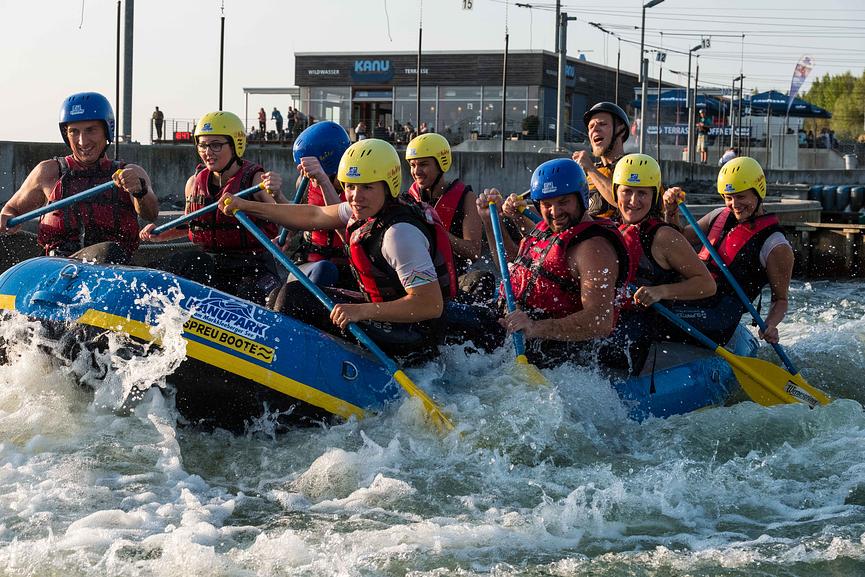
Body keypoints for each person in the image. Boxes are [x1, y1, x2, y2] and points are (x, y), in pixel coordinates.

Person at [218, 138, 457, 364]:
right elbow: (313, 214)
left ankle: (292, 366)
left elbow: (430, 305)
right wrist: (247, 205)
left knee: (294, 299)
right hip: (384, 314)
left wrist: (359, 312)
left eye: (366, 187)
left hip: (417, 335)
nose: (355, 196)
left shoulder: (399, 235)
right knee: (281, 295)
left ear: (388, 185)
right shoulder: (365, 209)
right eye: (350, 186)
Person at [458, 158, 629, 368]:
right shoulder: (552, 230)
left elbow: (600, 321)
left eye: (564, 202)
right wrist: (488, 219)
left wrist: (534, 327)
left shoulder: (593, 248)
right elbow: (513, 264)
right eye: (547, 204)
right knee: (465, 293)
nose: (555, 212)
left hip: (554, 349)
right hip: (516, 325)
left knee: (454, 321)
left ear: (581, 198)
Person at [139, 111, 285, 304]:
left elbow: (287, 216)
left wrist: (277, 194)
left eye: (215, 145)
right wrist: (159, 234)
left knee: (247, 295)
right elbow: (191, 225)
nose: (207, 152)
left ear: (235, 145)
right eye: (202, 145)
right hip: (213, 264)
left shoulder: (256, 180)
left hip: (253, 266)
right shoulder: (194, 183)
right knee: (189, 263)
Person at [0, 91, 158, 265]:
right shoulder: (48, 172)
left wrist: (139, 190)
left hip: (114, 269)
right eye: (74, 131)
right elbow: (11, 210)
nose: (82, 141)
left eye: (91, 130)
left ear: (107, 131)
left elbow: (151, 214)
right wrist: (6, 217)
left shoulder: (131, 173)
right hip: (58, 270)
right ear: (66, 135)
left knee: (109, 252)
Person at [662, 156, 794, 345]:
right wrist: (671, 212)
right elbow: (679, 238)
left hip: (720, 312)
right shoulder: (718, 215)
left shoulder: (776, 245)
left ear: (758, 192)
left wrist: (770, 325)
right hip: (692, 293)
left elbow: (780, 300)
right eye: (728, 198)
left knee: (658, 319)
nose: (734, 204)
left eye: (741, 196)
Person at [602, 153, 716, 370]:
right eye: (627, 191)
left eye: (642, 193)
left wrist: (660, 291)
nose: (634, 201)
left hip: (644, 331)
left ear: (654, 196)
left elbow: (707, 284)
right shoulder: (612, 228)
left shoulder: (664, 237)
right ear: (615, 192)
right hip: (615, 319)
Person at [405, 133, 490, 301]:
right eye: (413, 165)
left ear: (441, 164)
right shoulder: (408, 199)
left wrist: (439, 231)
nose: (416, 171)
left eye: (423, 165)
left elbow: (474, 252)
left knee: (482, 279)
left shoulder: (466, 197)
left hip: (451, 279)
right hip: (417, 279)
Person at [289, 121, 353, 288]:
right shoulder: (304, 183)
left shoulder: (357, 188)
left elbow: (344, 228)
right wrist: (276, 195)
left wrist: (324, 181)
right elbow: (294, 222)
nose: (305, 172)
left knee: (326, 270)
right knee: (279, 297)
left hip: (347, 268)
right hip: (309, 264)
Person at [572, 102, 631, 219]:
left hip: (616, 234)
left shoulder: (633, 165)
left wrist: (590, 169)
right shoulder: (591, 172)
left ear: (621, 130)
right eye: (591, 127)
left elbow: (624, 202)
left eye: (602, 124)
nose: (595, 130)